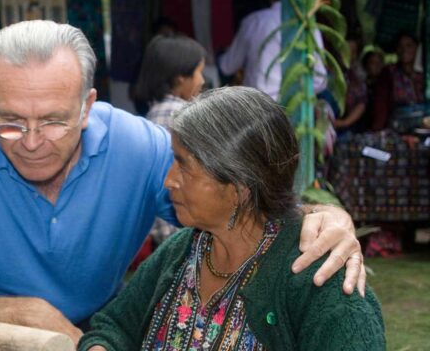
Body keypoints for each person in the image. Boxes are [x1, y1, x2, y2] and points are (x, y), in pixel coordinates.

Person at [0, 20, 364, 345]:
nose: (30, 142)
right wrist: (12, 313)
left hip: (94, 330)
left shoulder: (139, 147)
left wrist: (328, 216)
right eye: (9, 121)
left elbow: (231, 203)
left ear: (89, 105)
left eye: (53, 121)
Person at [79, 87, 385, 351]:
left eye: (183, 166)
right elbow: (114, 326)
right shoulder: (184, 251)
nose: (168, 180)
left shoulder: (321, 281)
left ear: (239, 188)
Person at [133, 34, 205, 246]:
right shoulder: (182, 115)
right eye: (198, 72)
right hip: (177, 230)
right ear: (180, 77)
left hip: (162, 229)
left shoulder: (153, 113)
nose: (202, 80)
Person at [218, 0, 327, 101]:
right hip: (293, 111)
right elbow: (320, 80)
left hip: (256, 106)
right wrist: (294, 97)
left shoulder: (254, 21)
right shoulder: (307, 26)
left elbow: (227, 66)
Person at [372, 32, 423, 131]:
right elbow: (380, 106)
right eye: (400, 46)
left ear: (417, 48)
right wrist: (377, 130)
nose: (404, 50)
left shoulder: (425, 74)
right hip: (397, 130)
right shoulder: (389, 73)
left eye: (409, 45)